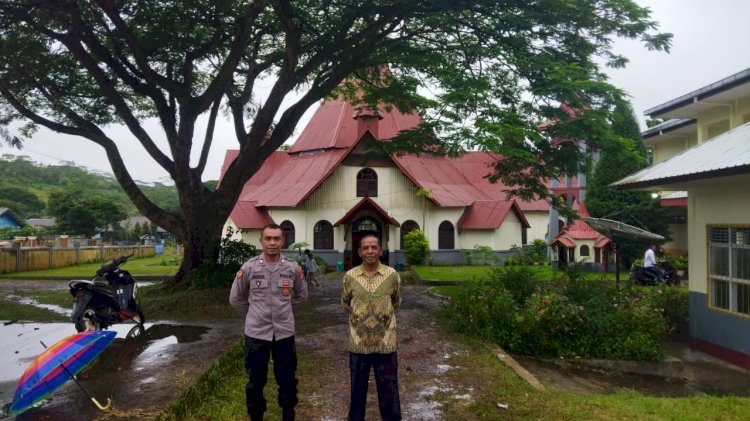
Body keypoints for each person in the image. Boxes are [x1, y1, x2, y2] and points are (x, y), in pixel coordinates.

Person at [229, 223, 308, 421]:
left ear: (283, 241)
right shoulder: (249, 268)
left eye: (276, 239)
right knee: (256, 380)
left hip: (284, 334)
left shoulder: (292, 267)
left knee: (287, 379)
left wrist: (287, 311)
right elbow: (236, 298)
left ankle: (288, 414)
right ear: (261, 241)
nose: (272, 243)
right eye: (268, 238)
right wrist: (253, 315)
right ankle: (256, 415)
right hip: (256, 334)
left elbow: (302, 295)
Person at [341, 234, 402, 421]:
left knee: (389, 393)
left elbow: (396, 302)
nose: (370, 251)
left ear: (380, 251)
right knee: (357, 393)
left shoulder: (392, 275)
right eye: (365, 248)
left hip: (386, 345)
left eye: (374, 247)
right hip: (358, 345)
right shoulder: (350, 277)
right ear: (359, 252)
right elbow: (345, 304)